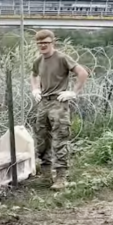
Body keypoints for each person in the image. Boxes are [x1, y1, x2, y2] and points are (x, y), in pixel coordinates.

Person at [30, 29, 89, 190]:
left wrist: (73, 92)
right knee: (42, 139)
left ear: (52, 43)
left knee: (59, 139)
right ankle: (45, 174)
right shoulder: (38, 60)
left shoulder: (62, 58)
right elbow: (34, 75)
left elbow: (82, 73)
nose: (43, 46)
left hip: (58, 102)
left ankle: (61, 177)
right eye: (40, 43)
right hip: (43, 102)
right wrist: (35, 89)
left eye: (46, 43)